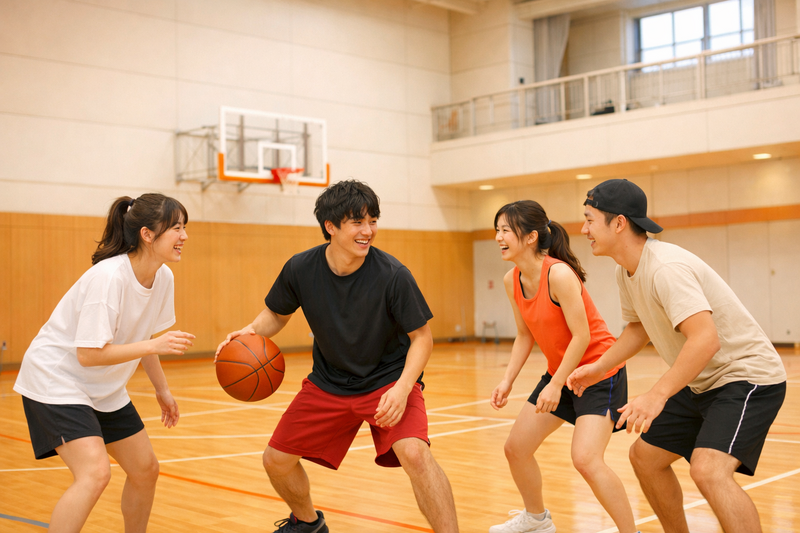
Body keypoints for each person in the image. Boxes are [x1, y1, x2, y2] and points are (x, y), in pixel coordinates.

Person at [216, 180, 458, 533]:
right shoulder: (300, 268)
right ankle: (309, 524)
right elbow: (277, 314)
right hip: (329, 383)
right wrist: (250, 331)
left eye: (373, 221)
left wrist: (404, 387)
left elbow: (422, 337)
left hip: (388, 380)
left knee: (416, 454)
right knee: (276, 461)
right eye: (357, 222)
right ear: (330, 226)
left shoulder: (393, 275)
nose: (368, 231)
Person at [568, 179, 787, 533]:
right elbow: (637, 329)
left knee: (708, 470)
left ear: (619, 223)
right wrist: (597, 368)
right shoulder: (626, 270)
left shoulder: (666, 268)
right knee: (645, 458)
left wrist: (656, 395)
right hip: (702, 381)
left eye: (590, 219)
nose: (584, 229)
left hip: (747, 377)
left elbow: (704, 340)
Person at [13, 193, 195, 533]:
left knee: (145, 469)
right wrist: (153, 343)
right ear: (147, 234)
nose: (184, 236)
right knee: (95, 473)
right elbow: (89, 354)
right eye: (176, 228)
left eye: (185, 228)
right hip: (56, 382)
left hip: (102, 388)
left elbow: (147, 336)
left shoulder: (163, 277)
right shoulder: (108, 278)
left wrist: (163, 390)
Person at [489, 201, 638, 533]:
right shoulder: (511, 279)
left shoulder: (558, 273)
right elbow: (524, 335)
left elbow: (582, 336)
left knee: (586, 460)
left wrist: (555, 385)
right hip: (561, 372)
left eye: (505, 230)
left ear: (529, 237)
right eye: (496, 230)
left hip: (599, 372)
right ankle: (537, 520)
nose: (498, 237)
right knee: (516, 449)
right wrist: (507, 380)